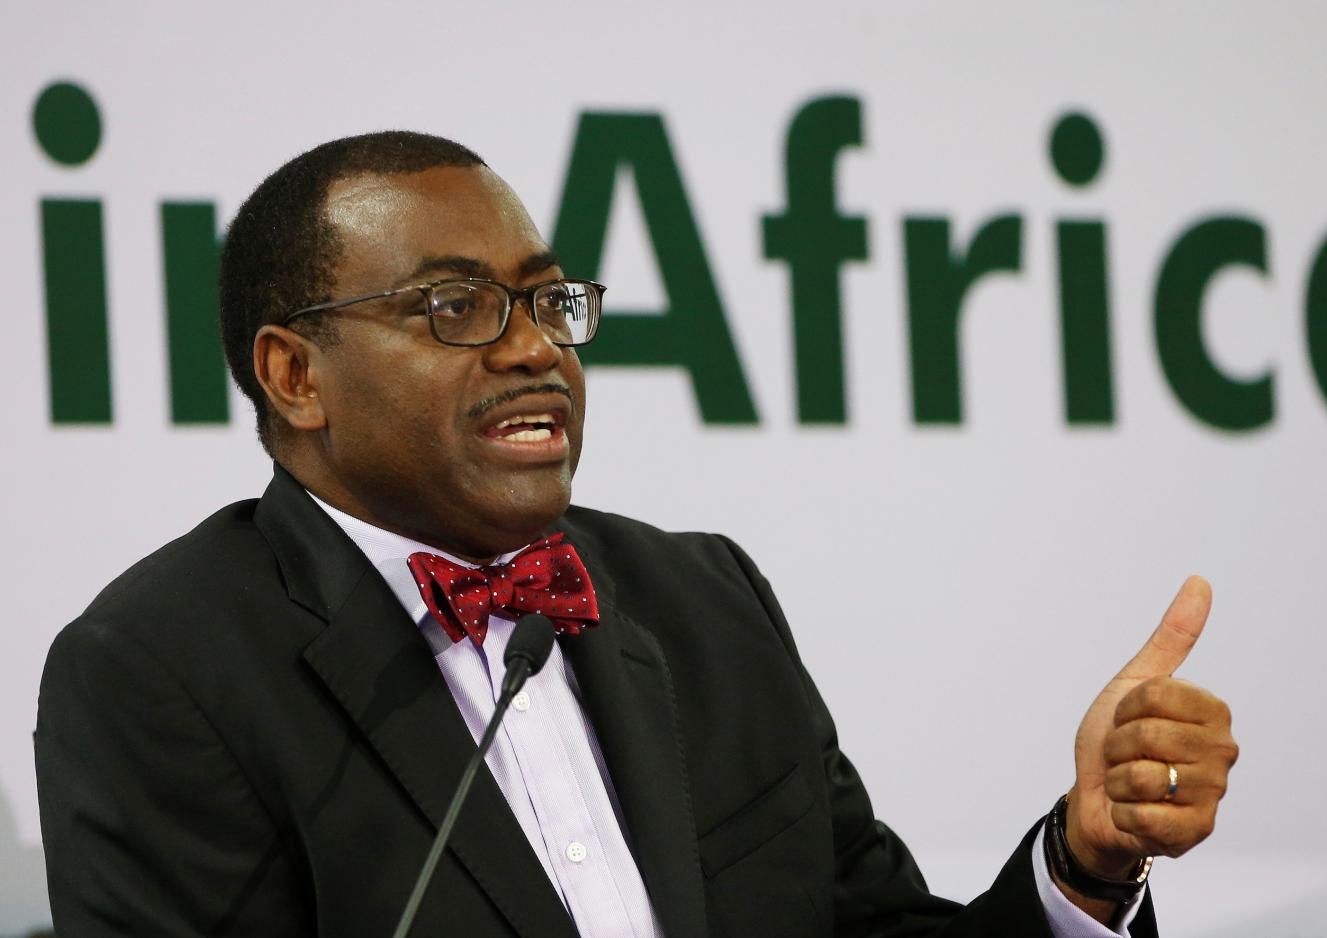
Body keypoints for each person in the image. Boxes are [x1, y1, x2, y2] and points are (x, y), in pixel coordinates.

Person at [34, 132, 1238, 937]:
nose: (534, 347)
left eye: (550, 300)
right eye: (456, 306)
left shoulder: (702, 600)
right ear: (296, 374)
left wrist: (1081, 864)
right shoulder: (160, 668)